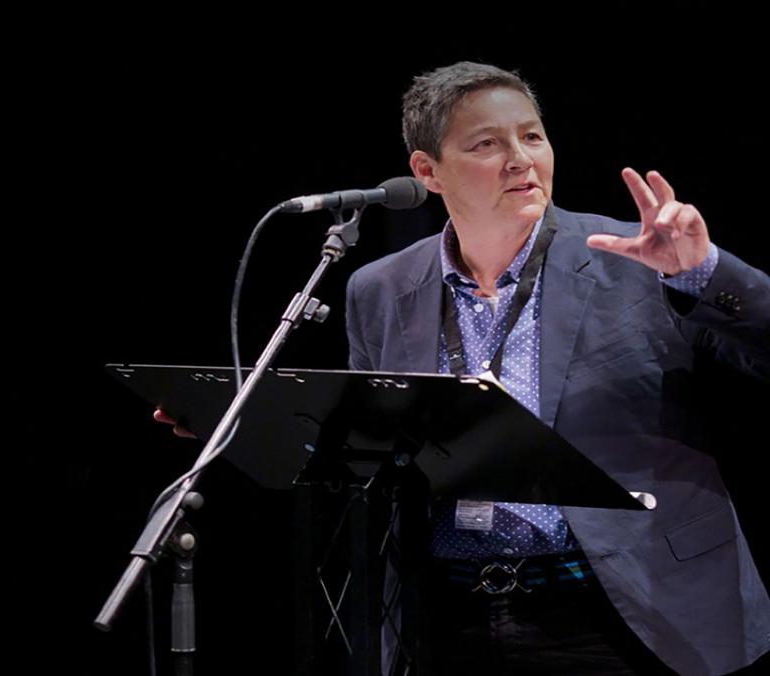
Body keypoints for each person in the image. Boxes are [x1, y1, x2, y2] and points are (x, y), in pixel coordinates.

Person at [157, 61, 770, 674]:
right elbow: (368, 450)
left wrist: (702, 272)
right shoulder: (379, 288)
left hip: (625, 609)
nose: (520, 159)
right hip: (448, 616)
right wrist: (246, 425)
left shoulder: (637, 257)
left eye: (531, 136)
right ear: (427, 172)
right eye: (487, 144)